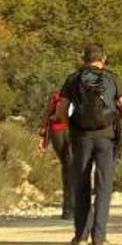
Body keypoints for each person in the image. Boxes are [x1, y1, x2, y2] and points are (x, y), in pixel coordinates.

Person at [55, 43, 122, 245]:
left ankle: (80, 237)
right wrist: (115, 118)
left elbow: (61, 110)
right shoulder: (112, 78)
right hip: (106, 137)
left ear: (83, 58)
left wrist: (71, 130)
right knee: (104, 186)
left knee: (81, 184)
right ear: (103, 58)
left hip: (81, 137)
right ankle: (99, 238)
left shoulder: (73, 79)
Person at [38, 90, 73, 220]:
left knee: (67, 167)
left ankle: (68, 209)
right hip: (72, 131)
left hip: (56, 131)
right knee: (73, 167)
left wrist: (42, 136)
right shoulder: (82, 93)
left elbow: (47, 114)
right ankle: (73, 207)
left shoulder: (57, 95)